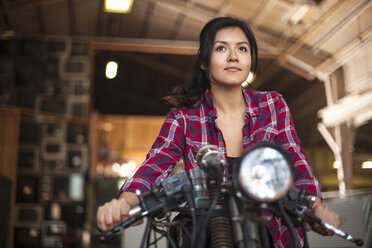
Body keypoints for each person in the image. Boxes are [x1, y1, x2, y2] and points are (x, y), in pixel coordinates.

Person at [97, 16, 340, 247]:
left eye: (242, 49)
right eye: (221, 48)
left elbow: (295, 160)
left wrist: (316, 207)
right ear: (204, 61)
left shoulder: (273, 105)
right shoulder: (183, 118)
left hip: (273, 234)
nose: (234, 57)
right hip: (210, 234)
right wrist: (124, 203)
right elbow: (154, 166)